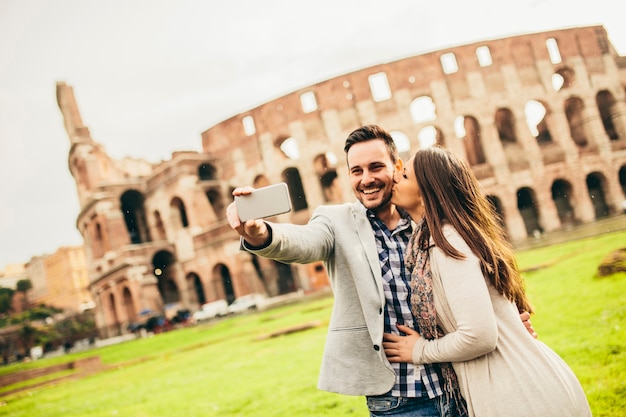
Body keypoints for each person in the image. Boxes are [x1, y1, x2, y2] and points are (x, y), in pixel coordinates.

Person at [227, 125, 534, 417]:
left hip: (462, 384)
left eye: (375, 167)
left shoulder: (426, 221)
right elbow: (302, 243)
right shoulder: (336, 222)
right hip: (398, 400)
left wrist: (506, 321)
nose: (366, 179)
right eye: (356, 171)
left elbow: (469, 285)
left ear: (396, 167)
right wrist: (258, 233)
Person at [382, 146, 592, 417]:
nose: (395, 178)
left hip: (519, 394)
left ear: (427, 194)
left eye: (405, 175)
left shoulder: (448, 244)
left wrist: (420, 350)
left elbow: (479, 336)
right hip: (514, 384)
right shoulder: (432, 241)